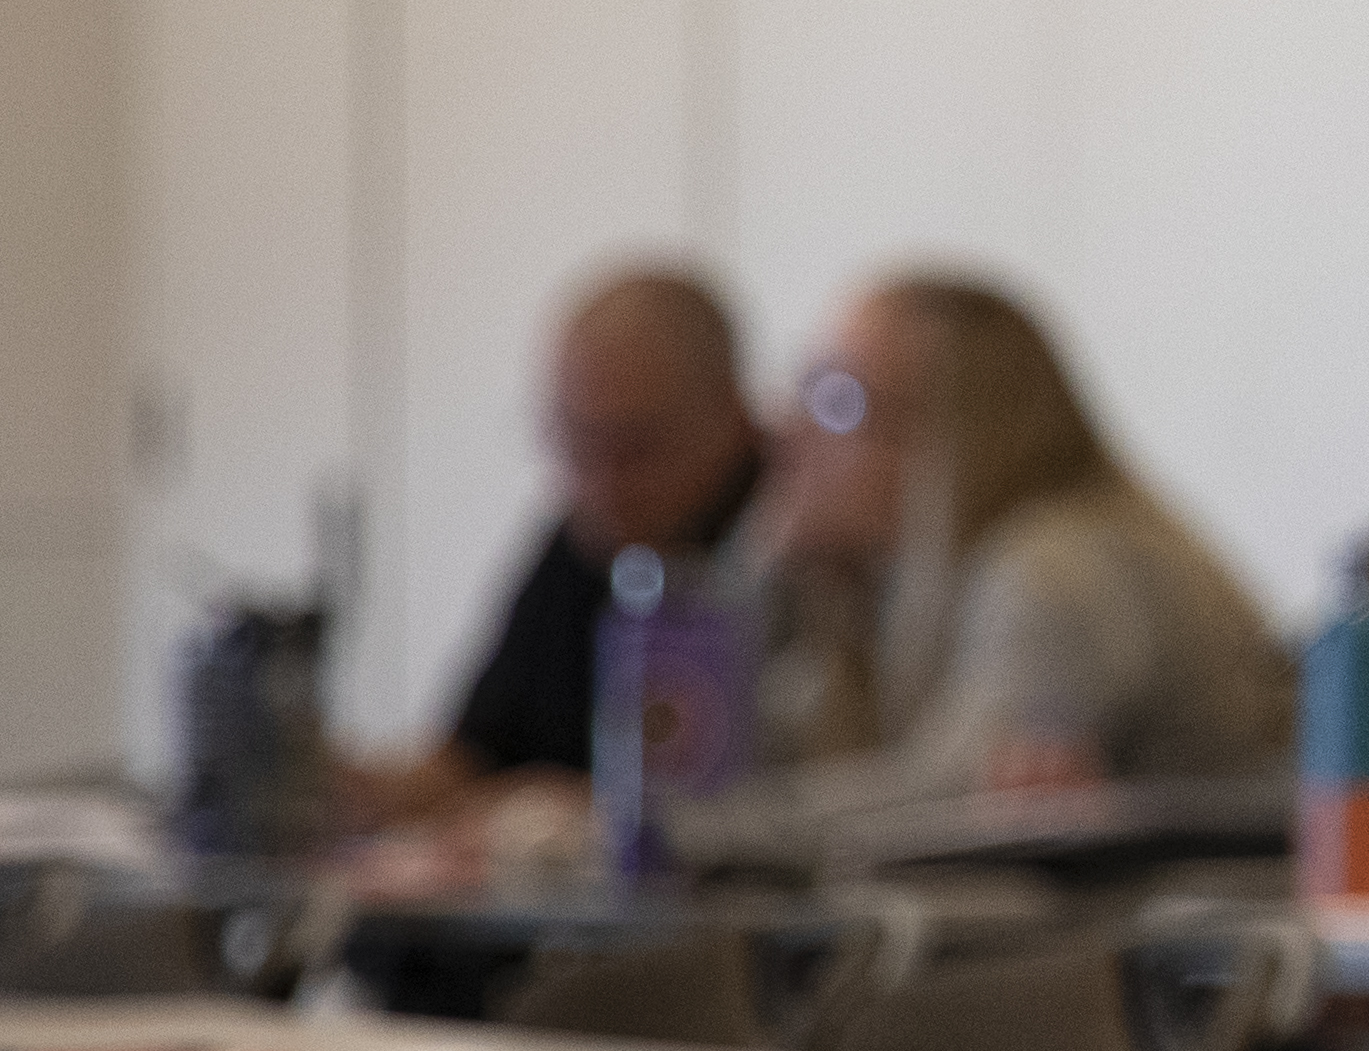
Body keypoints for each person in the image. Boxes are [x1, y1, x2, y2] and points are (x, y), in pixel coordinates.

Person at [716, 271, 1290, 835]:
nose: (789, 429)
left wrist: (699, 825)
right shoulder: (897, 586)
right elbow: (750, 741)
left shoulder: (1055, 573)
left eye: (836, 400)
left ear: (954, 434)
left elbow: (947, 809)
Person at [343, 262, 765, 827]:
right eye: (575, 442)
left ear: (732, 418)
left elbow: (794, 797)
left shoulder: (796, 549)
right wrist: (350, 789)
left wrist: (569, 812)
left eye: (636, 449)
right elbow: (469, 758)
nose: (602, 485)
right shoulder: (583, 537)